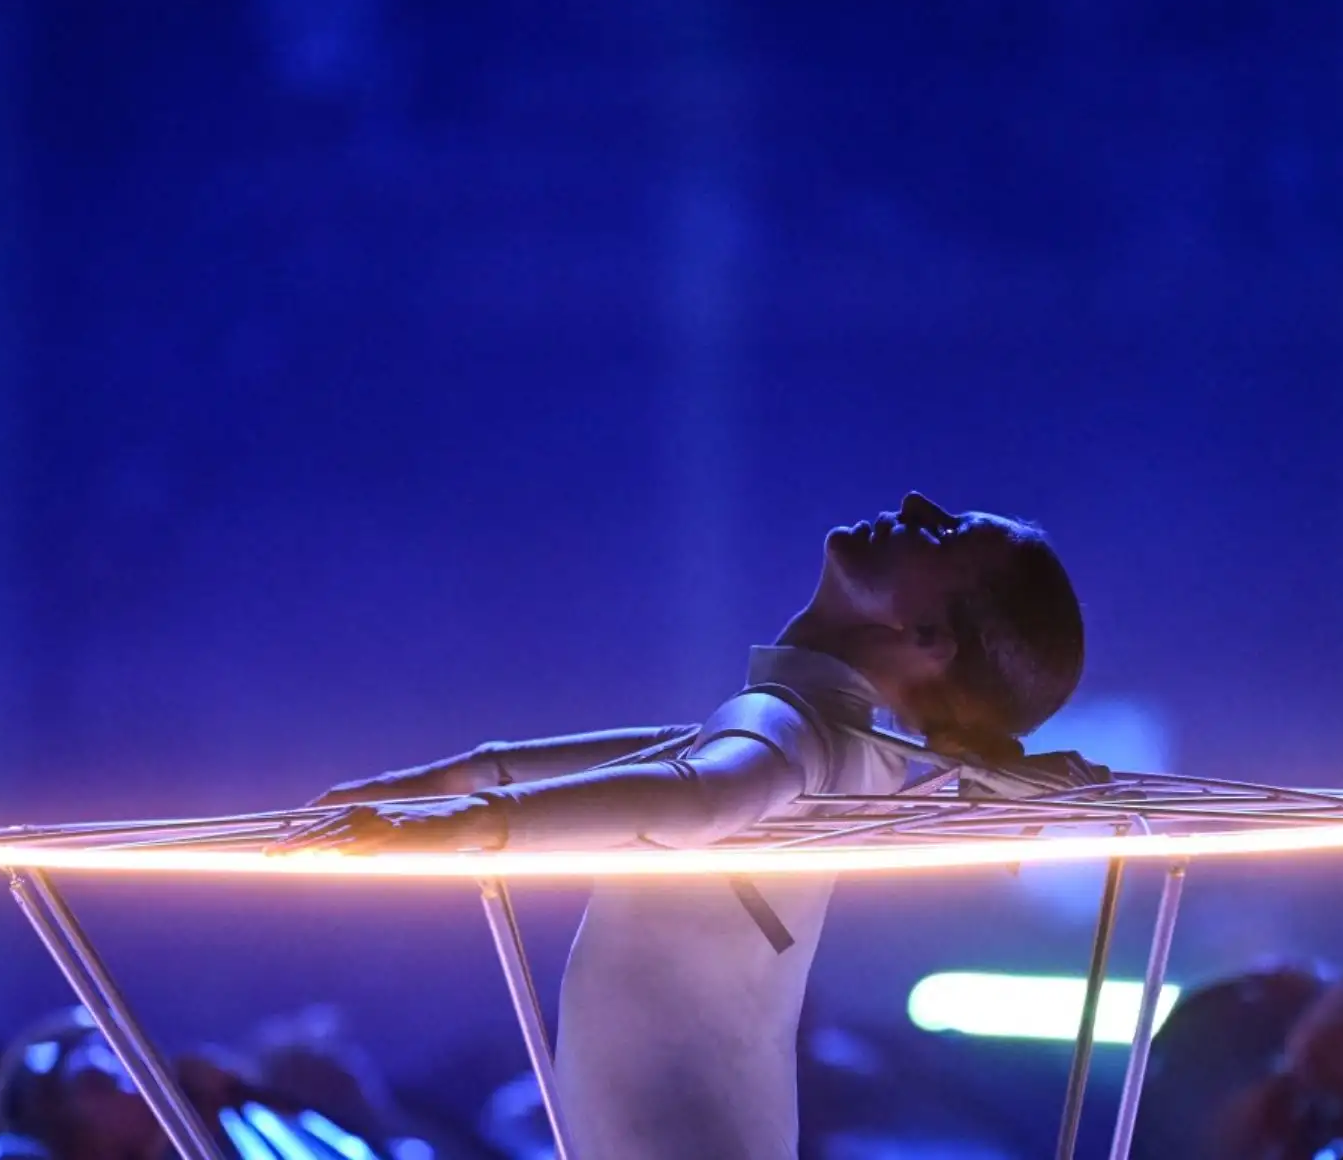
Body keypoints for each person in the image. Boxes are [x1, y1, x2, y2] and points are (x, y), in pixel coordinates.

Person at [278, 492, 1087, 1159]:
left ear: (929, 641)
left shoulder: (799, 726)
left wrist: (464, 821)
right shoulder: (841, 742)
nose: (916, 503)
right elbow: (671, 761)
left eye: (943, 532)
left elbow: (700, 796)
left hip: (675, 1125)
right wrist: (438, 787)